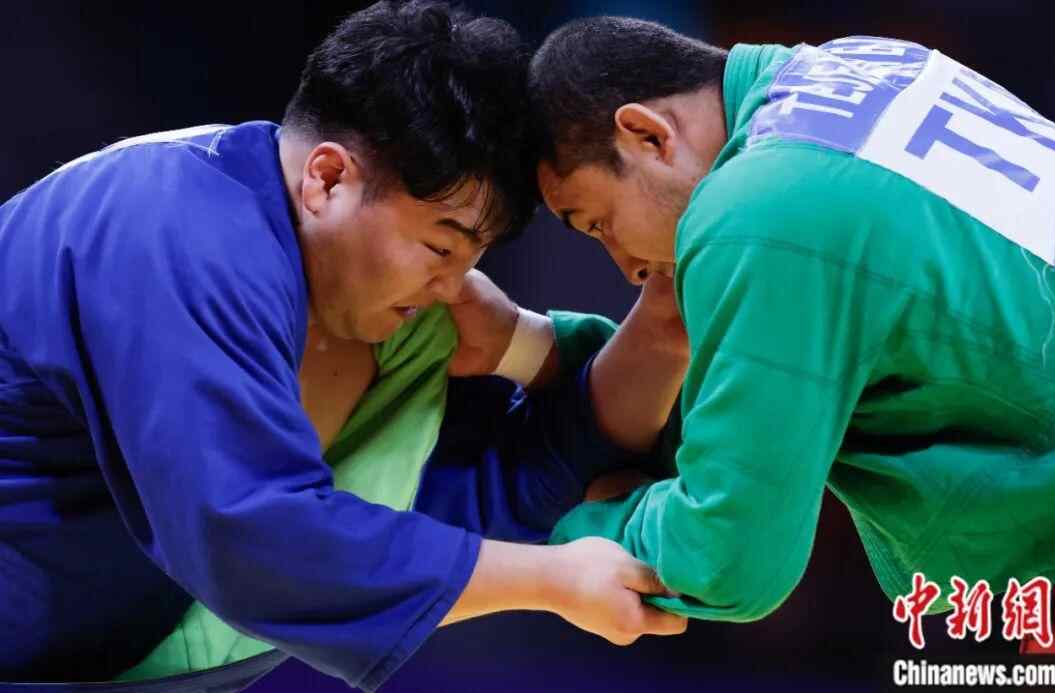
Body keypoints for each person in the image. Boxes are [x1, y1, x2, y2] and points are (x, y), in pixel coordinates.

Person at [0, 3, 687, 689]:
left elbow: (503, 492)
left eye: (472, 257)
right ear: (327, 178)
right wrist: (550, 580)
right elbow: (259, 540)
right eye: (441, 247)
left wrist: (563, 337)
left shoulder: (383, 306)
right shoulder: (176, 236)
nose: (455, 285)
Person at [530, 16, 1055, 641]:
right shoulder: (867, 62)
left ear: (648, 135)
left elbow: (729, 558)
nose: (627, 267)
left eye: (598, 222)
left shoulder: (757, 210)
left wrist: (580, 534)